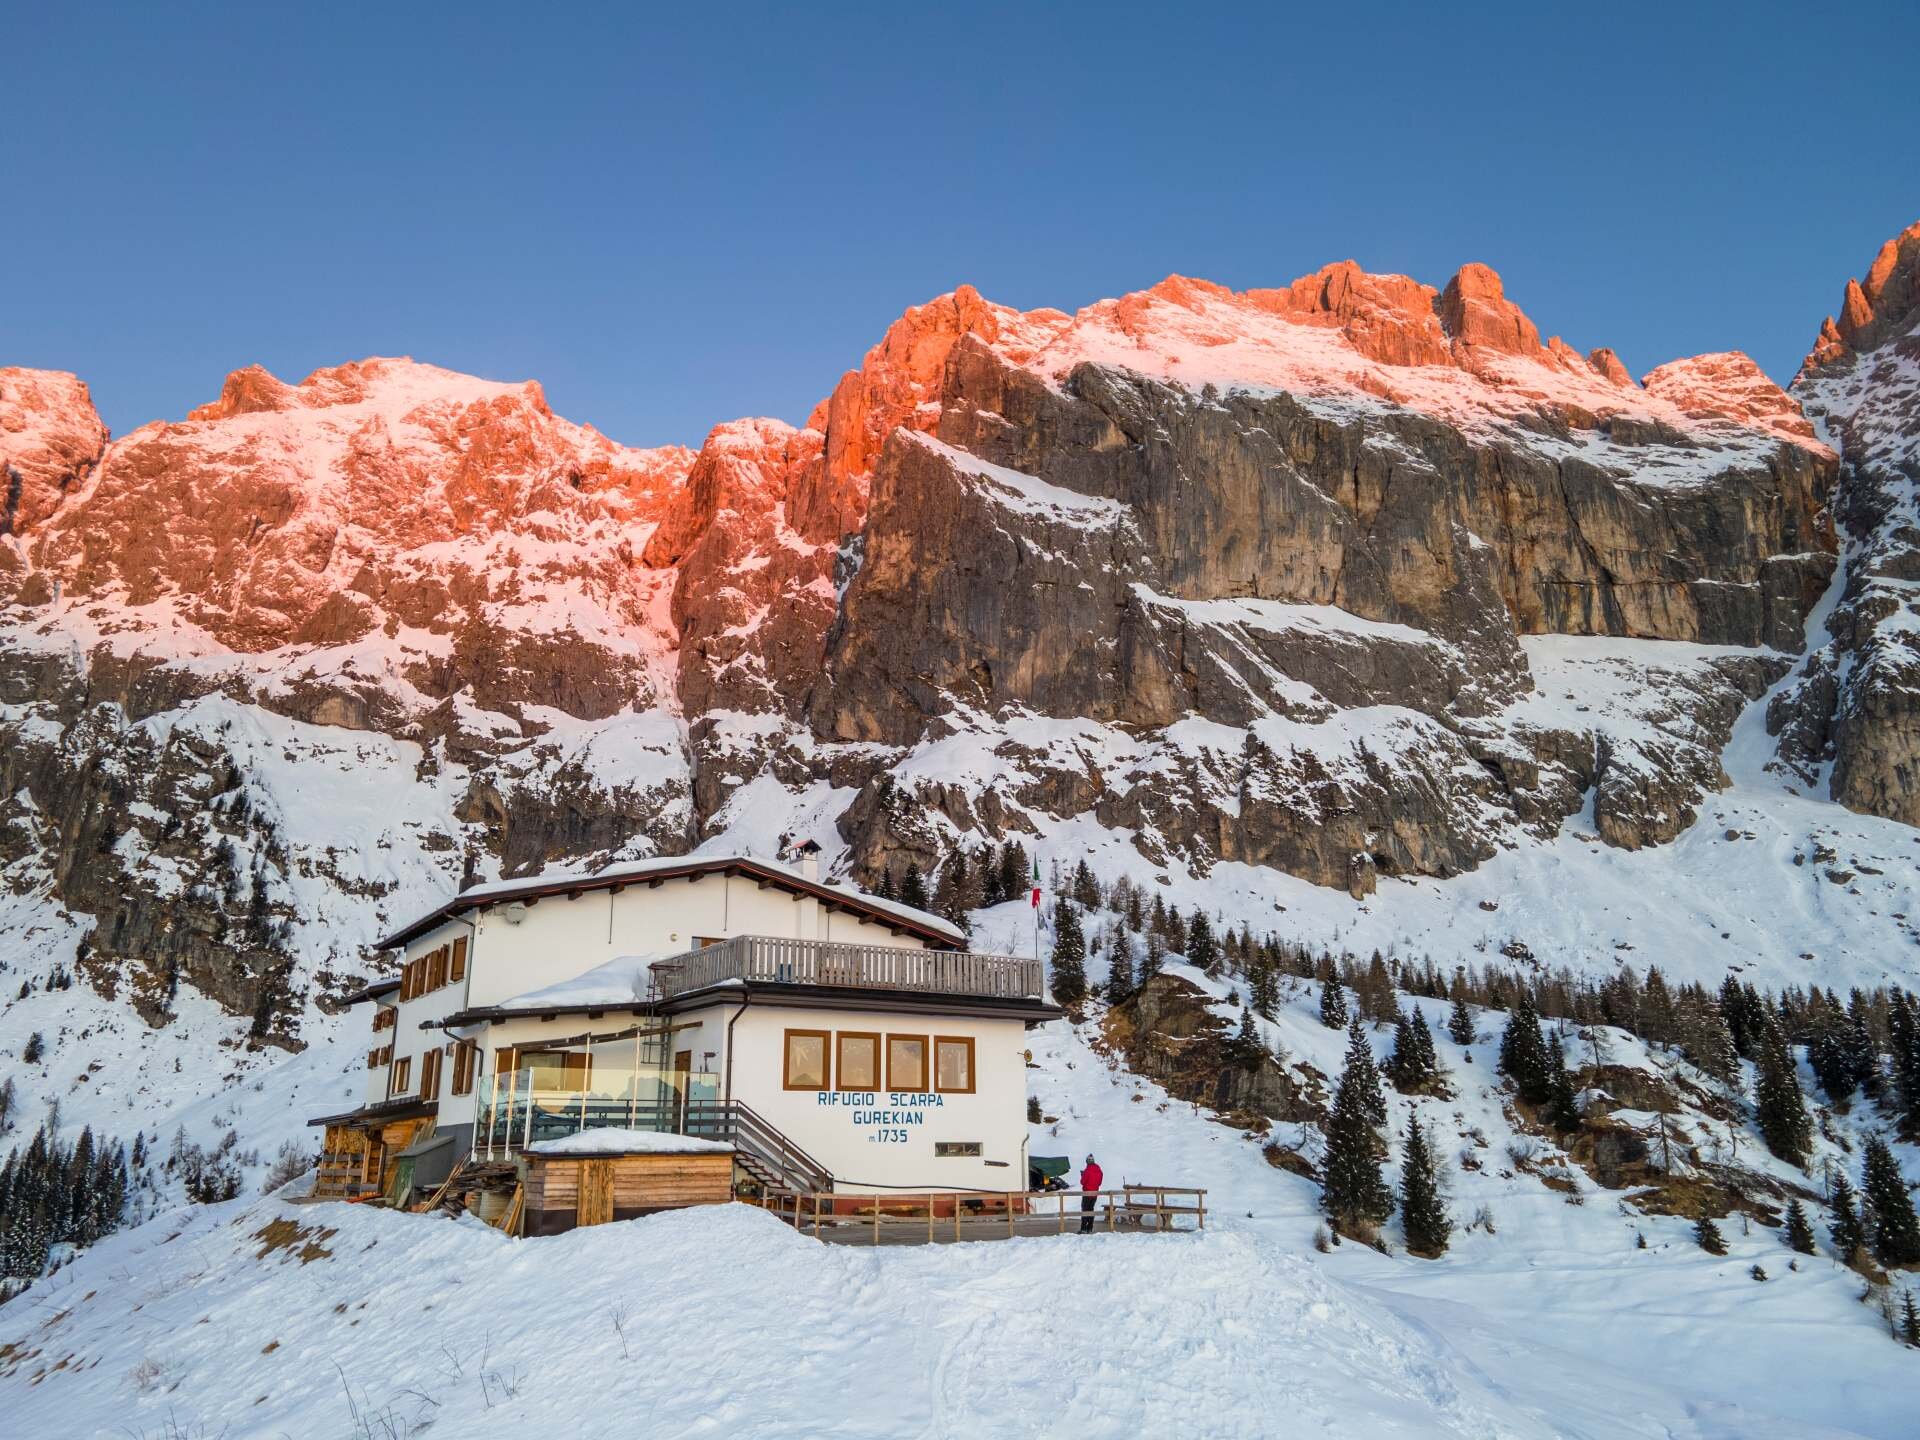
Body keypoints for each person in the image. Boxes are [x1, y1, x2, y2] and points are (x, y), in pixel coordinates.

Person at [1078, 1153, 1104, 1233]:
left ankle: (1083, 1229)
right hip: (1095, 1193)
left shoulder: (1087, 1170)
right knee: (1091, 1209)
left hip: (1087, 1193)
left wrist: (1082, 1175)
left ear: (1087, 1161)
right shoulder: (1099, 1171)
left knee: (1085, 1210)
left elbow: (1082, 1182)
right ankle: (1090, 1228)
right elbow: (1099, 1183)